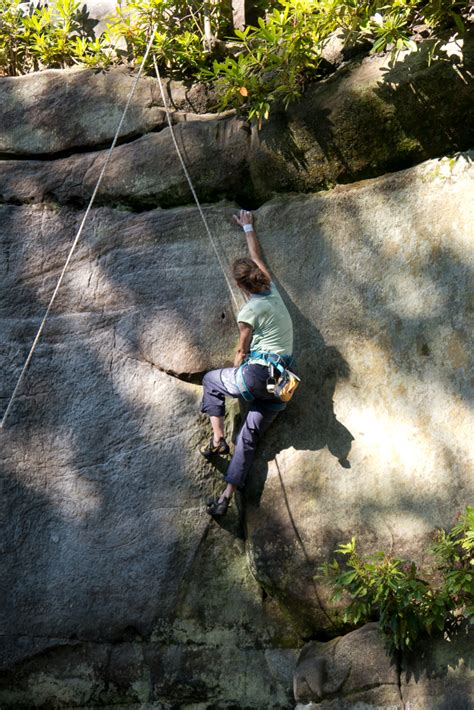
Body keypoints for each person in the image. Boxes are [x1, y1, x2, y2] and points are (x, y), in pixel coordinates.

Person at [200, 209, 294, 516]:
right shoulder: (272, 291)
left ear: (241, 287)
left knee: (212, 381)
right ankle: (225, 496)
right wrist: (248, 226)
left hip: (256, 376)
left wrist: (237, 370)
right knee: (248, 439)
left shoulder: (249, 312)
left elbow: (242, 351)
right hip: (282, 385)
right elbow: (256, 256)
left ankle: (217, 440)